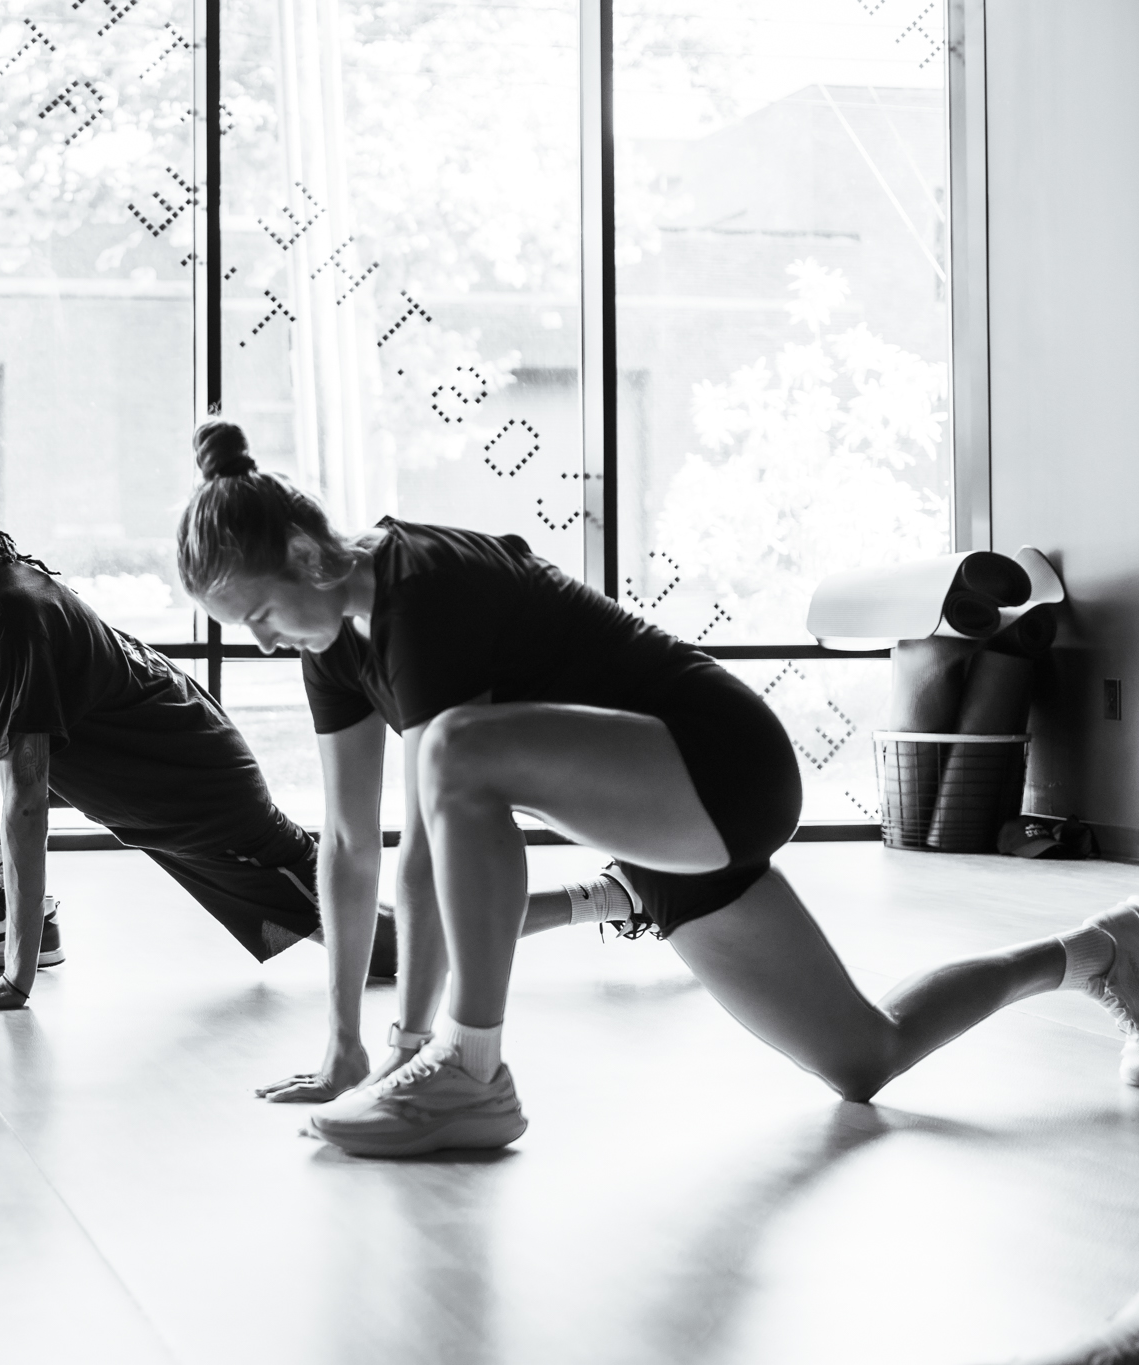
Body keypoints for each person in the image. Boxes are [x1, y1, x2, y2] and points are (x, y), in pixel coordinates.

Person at [175, 416, 1139, 1157]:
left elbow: (428, 839)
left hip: (720, 766)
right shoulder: (331, 644)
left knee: (453, 753)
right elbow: (349, 846)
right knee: (865, 1058)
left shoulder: (424, 587)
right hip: (655, 825)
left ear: (307, 556)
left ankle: (473, 1066)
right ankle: (1099, 951)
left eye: (259, 614)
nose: (259, 642)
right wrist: (343, 1045)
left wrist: (411, 1045)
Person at [0, 461, 410, 1024]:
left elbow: (24, 802)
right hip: (111, 789)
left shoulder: (11, 611)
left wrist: (14, 982)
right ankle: (1, 916)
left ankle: (463, 912)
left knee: (381, 948)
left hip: (193, 789)